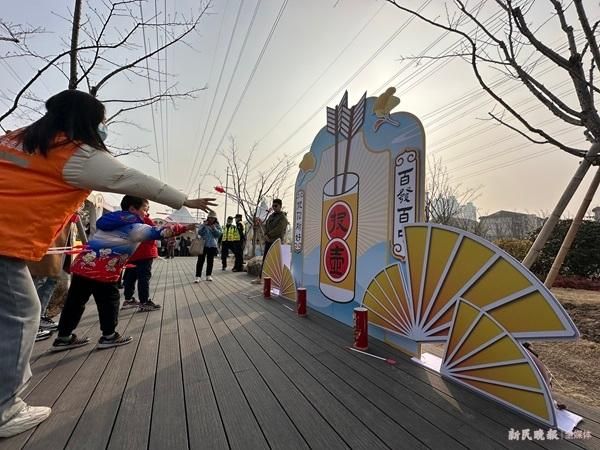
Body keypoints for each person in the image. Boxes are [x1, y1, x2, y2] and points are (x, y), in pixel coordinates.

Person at [0, 89, 216, 438]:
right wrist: (184, 205)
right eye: (101, 123)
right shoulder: (73, 154)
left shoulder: (18, 139)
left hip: (85, 264)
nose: (103, 130)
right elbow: (135, 189)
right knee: (25, 314)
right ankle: (6, 408)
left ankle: (67, 335)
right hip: (93, 267)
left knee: (71, 302)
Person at [51, 195, 194, 352]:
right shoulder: (134, 228)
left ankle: (63, 338)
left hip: (83, 265)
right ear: (133, 209)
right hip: (104, 270)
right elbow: (161, 232)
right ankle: (109, 336)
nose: (146, 214)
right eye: (145, 209)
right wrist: (185, 227)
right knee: (109, 302)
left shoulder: (109, 221)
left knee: (75, 302)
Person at [121, 199, 160, 311]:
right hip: (145, 253)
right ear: (134, 208)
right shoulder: (146, 220)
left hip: (131, 253)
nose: (147, 209)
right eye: (145, 208)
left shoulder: (125, 220)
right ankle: (144, 301)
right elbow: (154, 235)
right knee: (144, 278)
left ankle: (128, 300)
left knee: (130, 277)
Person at [252, 199, 288, 283]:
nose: (274, 207)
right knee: (265, 260)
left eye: (276, 206)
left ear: (280, 206)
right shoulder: (271, 216)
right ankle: (261, 278)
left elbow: (279, 229)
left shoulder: (283, 218)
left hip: (276, 242)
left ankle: (275, 280)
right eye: (273, 206)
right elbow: (266, 226)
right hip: (268, 241)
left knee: (275, 261)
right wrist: (265, 234)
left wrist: (269, 235)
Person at [194, 211, 222, 282]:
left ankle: (208, 275)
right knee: (200, 261)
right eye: (210, 218)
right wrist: (203, 226)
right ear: (208, 218)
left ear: (215, 218)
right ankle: (198, 276)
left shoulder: (217, 225)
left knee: (210, 261)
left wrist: (214, 228)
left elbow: (218, 235)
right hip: (203, 245)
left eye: (213, 218)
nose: (211, 219)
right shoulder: (204, 224)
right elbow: (199, 232)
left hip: (212, 245)